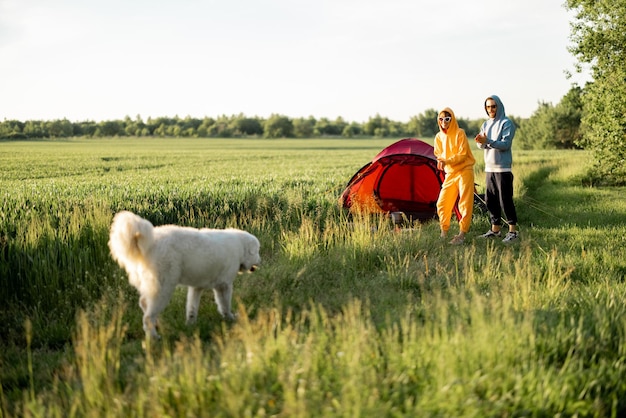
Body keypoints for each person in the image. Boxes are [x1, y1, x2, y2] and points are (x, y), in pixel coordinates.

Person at [474, 95, 519, 243]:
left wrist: (488, 141)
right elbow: (482, 144)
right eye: (488, 107)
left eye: (493, 106)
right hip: (489, 168)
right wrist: (481, 143)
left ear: (499, 106)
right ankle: (495, 230)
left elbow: (505, 145)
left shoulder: (507, 123)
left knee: (505, 200)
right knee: (490, 200)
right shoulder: (485, 124)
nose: (491, 109)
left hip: (503, 169)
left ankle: (513, 232)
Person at [433, 107, 475, 245]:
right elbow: (439, 154)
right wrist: (441, 161)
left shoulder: (460, 133)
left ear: (452, 119)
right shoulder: (439, 137)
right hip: (450, 173)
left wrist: (447, 160)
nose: (444, 122)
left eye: (447, 119)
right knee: (442, 202)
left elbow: (462, 155)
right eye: (441, 119)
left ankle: (462, 234)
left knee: (465, 202)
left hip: (464, 171)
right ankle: (444, 232)